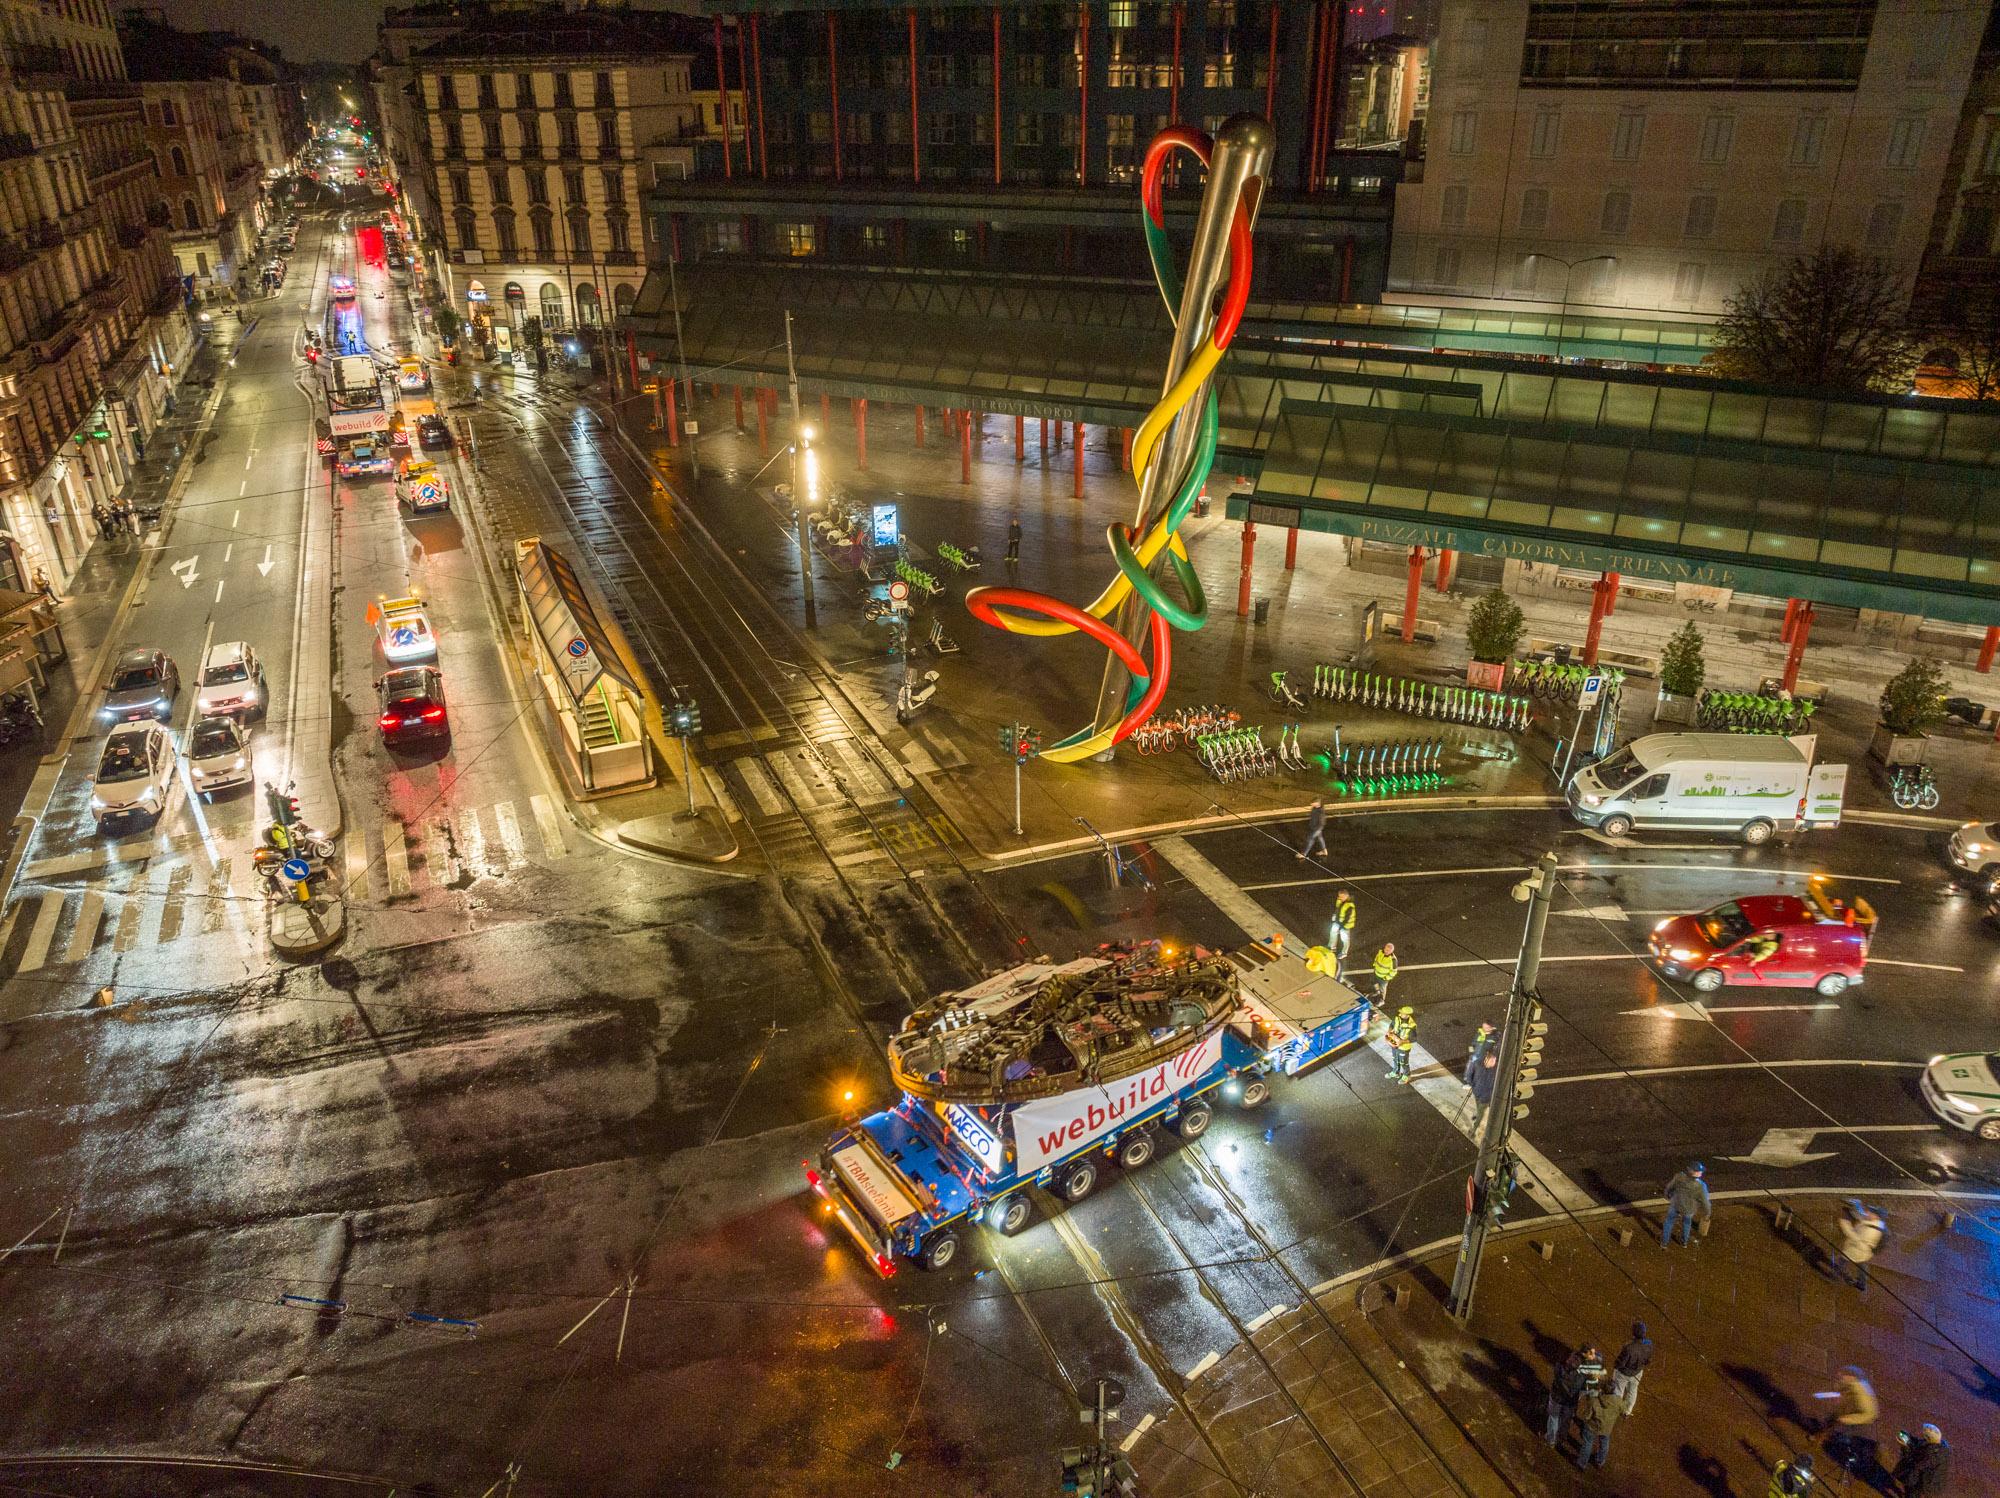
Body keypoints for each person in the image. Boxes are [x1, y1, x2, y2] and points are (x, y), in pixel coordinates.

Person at [1812, 1365, 1878, 1471]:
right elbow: (1841, 1389)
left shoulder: (1864, 1397)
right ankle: (1822, 1436)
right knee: (1830, 1421)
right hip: (1845, 1409)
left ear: (1853, 1377)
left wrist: (1847, 1419)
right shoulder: (1852, 1383)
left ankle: (1827, 1439)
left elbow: (1868, 1415)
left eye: (1844, 1375)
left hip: (1854, 1416)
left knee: (1839, 1428)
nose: (1841, 1377)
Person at [1544, 1344, 1601, 1448]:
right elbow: (1586, 1386)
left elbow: (1557, 1371)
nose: (1593, 1355)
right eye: (1591, 1353)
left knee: (1553, 1418)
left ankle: (1551, 1439)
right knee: (1566, 1419)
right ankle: (1561, 1439)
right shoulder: (1586, 1369)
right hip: (1571, 1400)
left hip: (1557, 1396)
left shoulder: (1566, 1359)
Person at [1831, 1199, 1886, 1291]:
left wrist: (1845, 1224)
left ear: (1876, 1216)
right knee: (1862, 1266)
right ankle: (1862, 1283)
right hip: (1863, 1253)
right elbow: (1861, 1216)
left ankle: (1835, 1275)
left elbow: (1856, 1239)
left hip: (1857, 1250)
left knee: (1842, 1260)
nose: (1867, 1212)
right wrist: (1857, 1205)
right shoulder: (1874, 1221)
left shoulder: (1872, 1231)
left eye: (1870, 1212)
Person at [1575, 1375, 1622, 1469]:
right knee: (1604, 1443)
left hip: (1592, 1426)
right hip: (1607, 1427)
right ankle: (1600, 1462)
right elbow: (1623, 1410)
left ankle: (1581, 1464)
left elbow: (1587, 1416)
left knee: (1588, 1443)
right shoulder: (1618, 1401)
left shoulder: (1595, 1401)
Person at [1892, 1423, 1951, 1497]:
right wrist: (1910, 1437)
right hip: (1931, 1480)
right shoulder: (1941, 1445)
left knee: (1911, 1493)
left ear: (1928, 1438)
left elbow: (1913, 1463)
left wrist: (1904, 1447)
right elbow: (1919, 1443)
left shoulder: (1930, 1456)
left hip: (1924, 1483)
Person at [1661, 1161, 1711, 1247]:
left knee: (1669, 1222)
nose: (1701, 1172)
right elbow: (1705, 1202)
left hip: (1676, 1204)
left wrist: (1667, 1196)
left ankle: (1664, 1243)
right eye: (1699, 1171)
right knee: (1687, 1223)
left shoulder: (1679, 1176)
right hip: (1689, 1208)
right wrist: (1707, 1213)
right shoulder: (1701, 1186)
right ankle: (1684, 1242)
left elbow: (1669, 1187)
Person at [1611, 1321, 1652, 1415]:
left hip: (1623, 1373)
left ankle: (1615, 1409)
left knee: (1618, 1390)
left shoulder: (1628, 1347)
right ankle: (1627, 1411)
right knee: (1632, 1391)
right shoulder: (1649, 1344)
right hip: (1637, 1372)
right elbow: (1648, 1360)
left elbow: (1620, 1363)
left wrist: (1616, 1367)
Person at [1468, 1049, 1498, 1130]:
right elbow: (1469, 1075)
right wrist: (1473, 1085)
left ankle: (1474, 1128)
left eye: (1494, 1061)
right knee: (1478, 1106)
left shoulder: (1496, 1071)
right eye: (1491, 1060)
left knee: (1481, 1112)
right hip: (1477, 1092)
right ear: (1486, 1059)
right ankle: (1478, 1115)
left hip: (1486, 1097)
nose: (1493, 1063)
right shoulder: (1478, 1064)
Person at [1328, 888, 1357, 973]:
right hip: (1338, 922)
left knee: (1345, 939)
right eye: (1339, 896)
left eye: (1341, 897)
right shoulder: (1340, 901)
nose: (1340, 898)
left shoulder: (1350, 906)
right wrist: (1335, 916)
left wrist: (1342, 926)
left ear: (1346, 896)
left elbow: (1348, 917)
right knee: (1333, 934)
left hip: (1345, 925)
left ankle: (1344, 952)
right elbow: (1337, 909)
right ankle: (1332, 947)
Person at [1385, 1006, 1416, 1083]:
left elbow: (1414, 1039)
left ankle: (1406, 1075)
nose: (1400, 1013)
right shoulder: (1397, 1018)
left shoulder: (1412, 1025)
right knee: (1395, 1059)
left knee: (1404, 1063)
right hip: (1394, 1043)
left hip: (1404, 1047)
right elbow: (1392, 1025)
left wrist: (1402, 1041)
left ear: (1407, 1015)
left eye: (1402, 1013)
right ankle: (1396, 1072)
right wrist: (1389, 1031)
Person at [1462, 1021, 1496, 1086]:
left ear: (1491, 1028)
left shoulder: (1494, 1037)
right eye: (1484, 1026)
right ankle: (1468, 1082)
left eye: (1487, 1027)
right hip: (1474, 1057)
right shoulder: (1479, 1034)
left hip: (1483, 1059)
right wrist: (1471, 1053)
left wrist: (1492, 1057)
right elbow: (1472, 1044)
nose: (1485, 1028)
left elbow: (1494, 1049)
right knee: (1469, 1070)